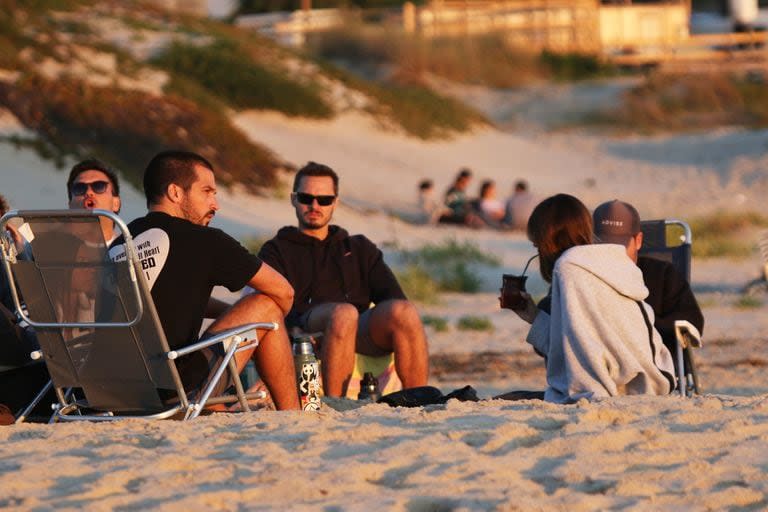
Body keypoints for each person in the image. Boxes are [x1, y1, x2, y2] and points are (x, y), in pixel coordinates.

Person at [108, 150, 299, 410]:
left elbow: (163, 296)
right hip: (172, 389)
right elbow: (284, 292)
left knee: (255, 313)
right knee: (266, 305)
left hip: (112, 389)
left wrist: (232, 314)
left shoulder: (122, 242)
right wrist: (265, 334)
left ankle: (217, 407)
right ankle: (293, 414)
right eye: (207, 191)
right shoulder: (206, 241)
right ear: (175, 193)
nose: (215, 204)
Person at [258, 161, 429, 398]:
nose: (315, 205)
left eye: (324, 200)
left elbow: (391, 298)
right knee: (344, 313)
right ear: (293, 199)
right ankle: (335, 401)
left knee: (404, 310)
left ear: (335, 202)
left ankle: (418, 398)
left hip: (359, 329)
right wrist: (293, 331)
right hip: (307, 325)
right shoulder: (276, 250)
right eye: (306, 198)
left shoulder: (358, 247)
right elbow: (265, 304)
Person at [502, 194, 675, 403]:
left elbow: (582, 347)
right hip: (650, 376)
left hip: (625, 388)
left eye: (537, 245)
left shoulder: (569, 267)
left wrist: (587, 396)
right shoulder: (606, 262)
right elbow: (576, 341)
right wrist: (533, 315)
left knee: (503, 400)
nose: (538, 253)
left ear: (548, 240)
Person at [592, 200, 704, 357]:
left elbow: (692, 321)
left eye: (620, 246)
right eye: (606, 245)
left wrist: (636, 322)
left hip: (655, 366)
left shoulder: (663, 274)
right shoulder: (586, 275)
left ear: (638, 241)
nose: (614, 253)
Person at [67, 159, 123, 244]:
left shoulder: (132, 251)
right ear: (70, 206)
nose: (88, 193)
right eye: (79, 188)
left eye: (99, 186)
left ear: (116, 203)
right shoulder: (54, 248)